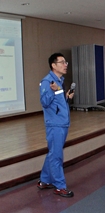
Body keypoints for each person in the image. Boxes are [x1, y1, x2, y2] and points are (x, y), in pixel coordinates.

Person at [38, 53, 75, 198]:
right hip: (55, 124)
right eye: (62, 62)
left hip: (62, 123)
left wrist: (64, 96)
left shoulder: (59, 81)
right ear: (53, 65)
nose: (65, 65)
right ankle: (60, 186)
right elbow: (45, 102)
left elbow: (57, 102)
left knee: (54, 152)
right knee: (56, 155)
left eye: (66, 62)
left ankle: (45, 180)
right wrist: (56, 92)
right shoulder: (47, 81)